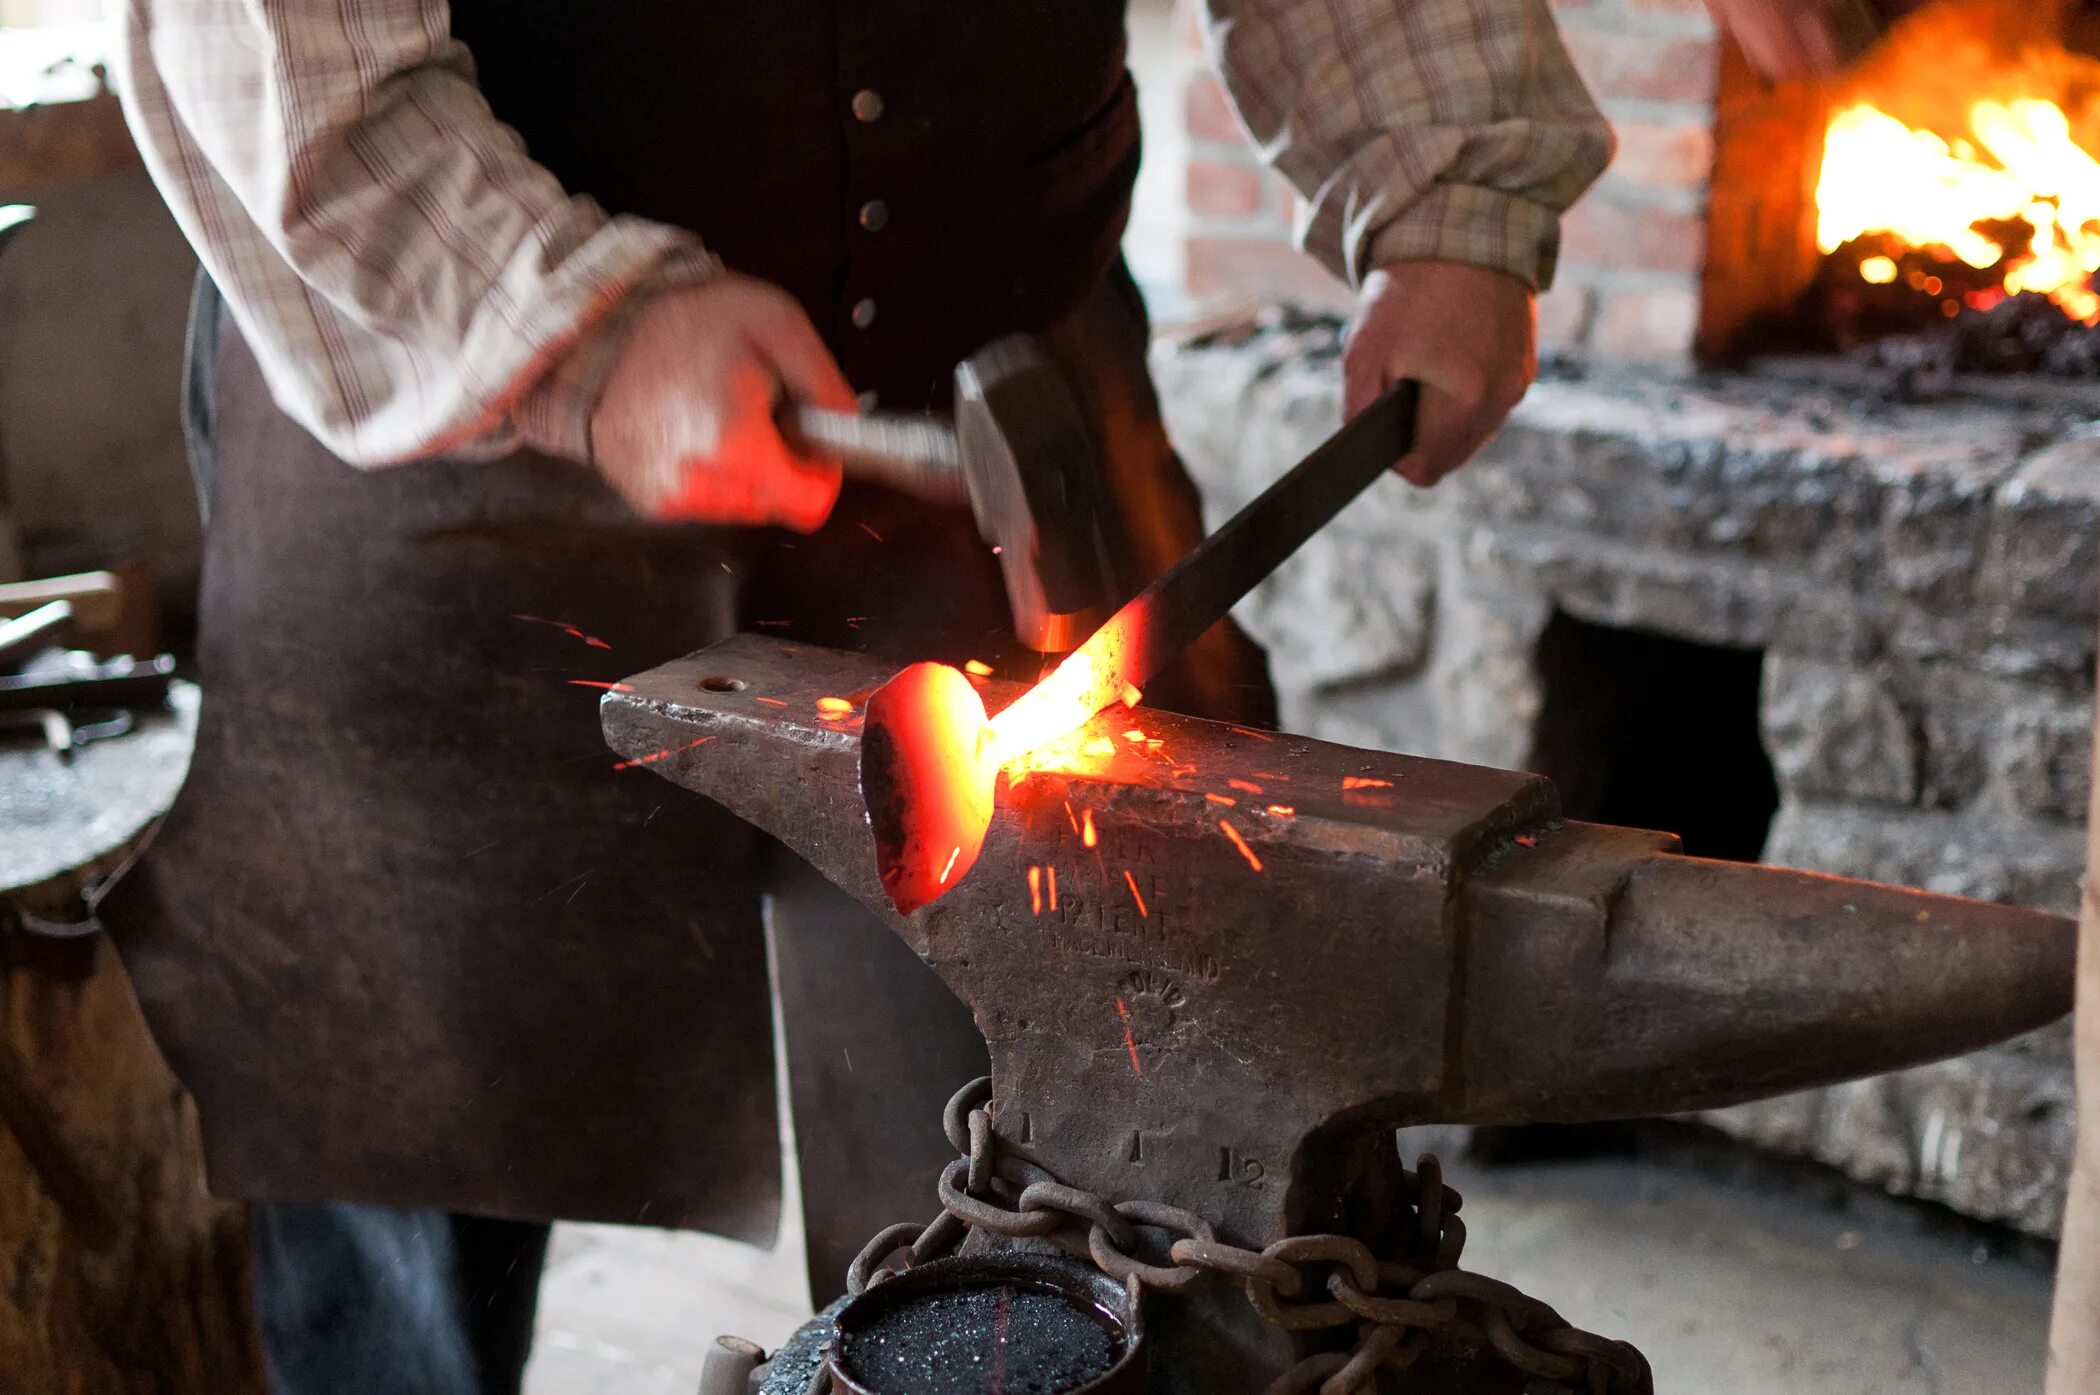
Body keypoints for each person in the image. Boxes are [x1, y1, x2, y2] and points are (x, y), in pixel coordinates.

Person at [106, 1, 1611, 1390]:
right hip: (440, 376)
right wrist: (586, 327)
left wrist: (1449, 185)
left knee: (1088, 1185)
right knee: (407, 1150)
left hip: (989, 375)